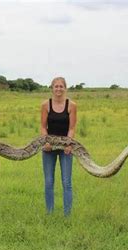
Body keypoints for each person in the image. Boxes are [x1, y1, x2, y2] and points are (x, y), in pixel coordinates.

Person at [40, 77, 77, 216]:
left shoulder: (71, 105)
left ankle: (67, 215)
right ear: (52, 88)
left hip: (65, 148)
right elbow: (43, 127)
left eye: (61, 86)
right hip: (49, 147)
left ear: (65, 88)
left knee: (66, 182)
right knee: (49, 181)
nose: (58, 89)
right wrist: (46, 142)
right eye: (56, 86)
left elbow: (72, 128)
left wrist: (69, 143)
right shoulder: (46, 105)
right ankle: (49, 213)